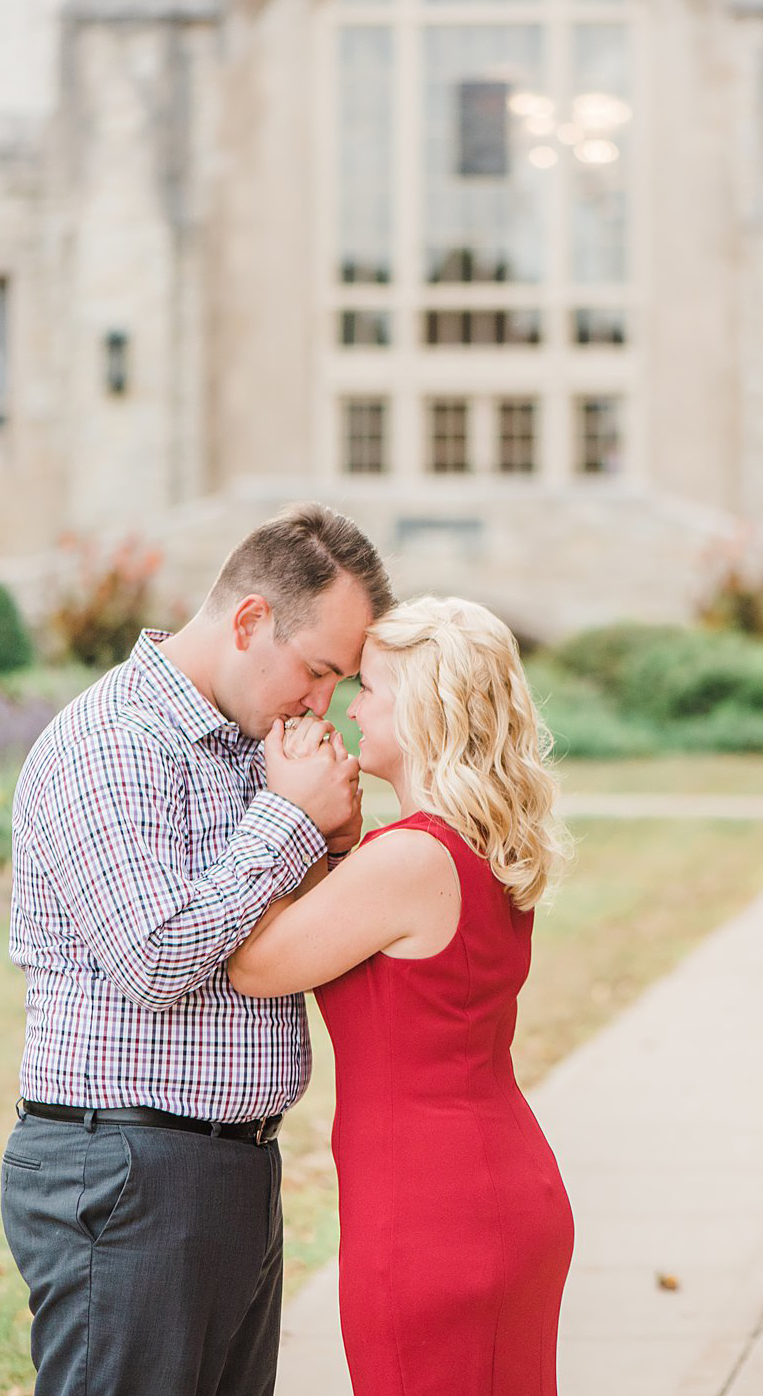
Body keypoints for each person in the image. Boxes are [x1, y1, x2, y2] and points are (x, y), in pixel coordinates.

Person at [0, 502, 392, 1396]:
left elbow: (267, 936)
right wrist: (292, 819)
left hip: (236, 1167)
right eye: (319, 670)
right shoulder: (113, 742)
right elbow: (159, 955)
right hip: (126, 1175)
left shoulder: (249, 749)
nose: (321, 703)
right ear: (251, 619)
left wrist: (327, 847)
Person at [228, 596, 574, 1396]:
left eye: (372, 688)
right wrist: (332, 834)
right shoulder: (469, 840)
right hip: (487, 1190)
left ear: (424, 708)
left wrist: (285, 808)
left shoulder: (410, 858)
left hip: (434, 1216)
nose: (351, 705)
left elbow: (254, 963)